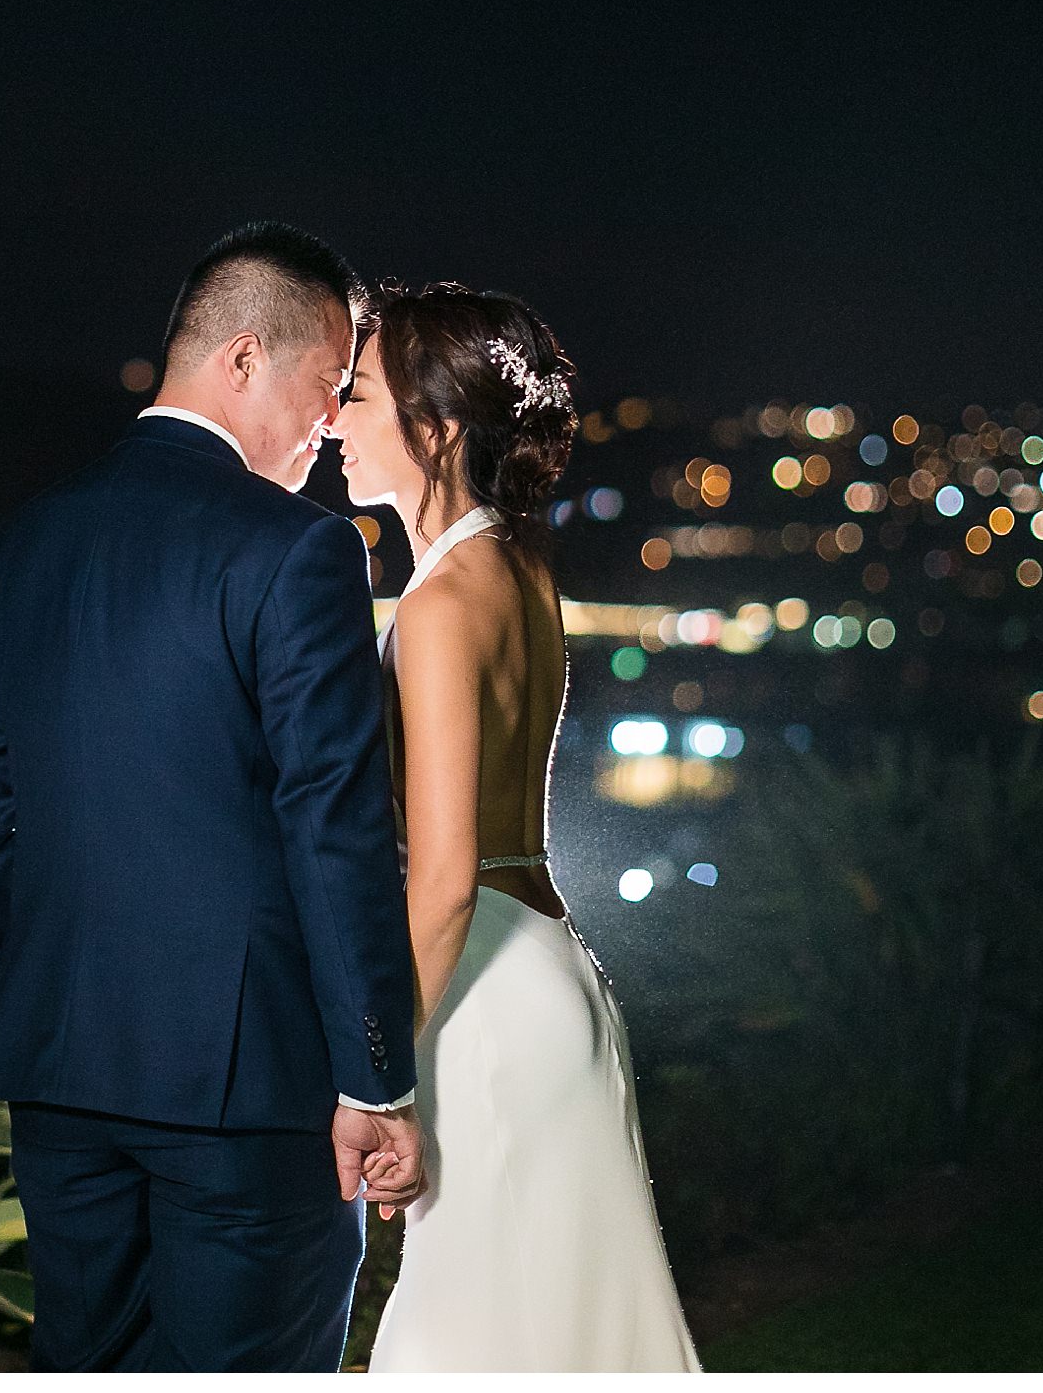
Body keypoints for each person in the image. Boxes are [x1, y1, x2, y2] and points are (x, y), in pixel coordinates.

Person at [0, 222, 425, 1372]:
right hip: (247, 1093)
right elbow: (334, 826)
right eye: (326, 386)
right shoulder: (298, 551)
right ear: (246, 357)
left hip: (57, 1071)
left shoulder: (21, 548)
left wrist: (9, 1012)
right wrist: (373, 1075)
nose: (327, 423)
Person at [330, 281, 705, 1371]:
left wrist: (373, 1076)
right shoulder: (517, 568)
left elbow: (440, 878)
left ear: (434, 426)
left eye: (356, 396)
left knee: (466, 1342)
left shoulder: (443, 605)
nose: (333, 420)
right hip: (544, 963)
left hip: (480, 988)